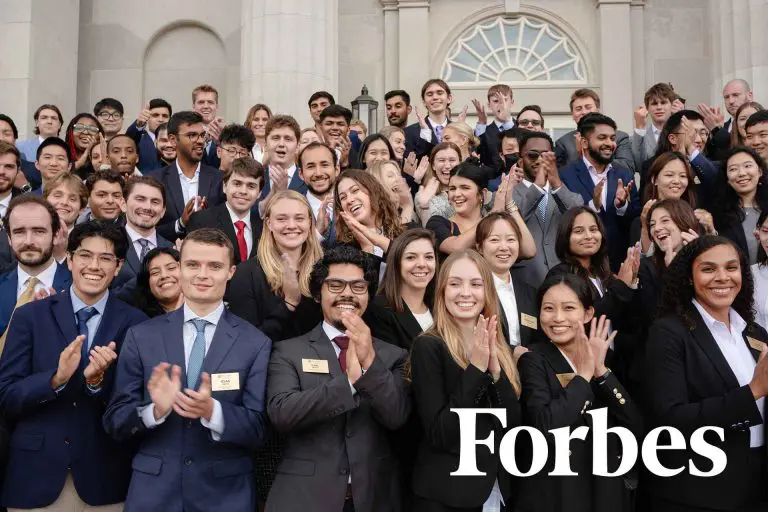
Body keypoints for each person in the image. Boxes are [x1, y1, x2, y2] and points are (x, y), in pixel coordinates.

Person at [104, 228, 271, 511]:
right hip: (154, 494)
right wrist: (153, 411)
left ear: (231, 272)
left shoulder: (256, 343)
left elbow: (258, 430)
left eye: (215, 266)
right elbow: (115, 420)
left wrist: (212, 411)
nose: (203, 274)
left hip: (224, 496)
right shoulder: (141, 336)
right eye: (193, 264)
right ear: (180, 268)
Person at [0, 221, 148, 510]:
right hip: (35, 476)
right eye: (85, 255)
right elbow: (7, 396)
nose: (94, 265)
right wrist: (56, 379)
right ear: (69, 260)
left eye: (105, 258)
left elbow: (134, 406)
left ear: (118, 267)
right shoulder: (30, 317)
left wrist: (96, 383)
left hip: (104, 478)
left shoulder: (136, 324)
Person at [266, 244, 410, 512]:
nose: (347, 294)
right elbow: (282, 414)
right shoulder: (288, 351)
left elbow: (397, 416)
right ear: (318, 294)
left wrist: (369, 365)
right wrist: (347, 383)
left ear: (367, 295)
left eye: (358, 286)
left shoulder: (393, 355)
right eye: (335, 285)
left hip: (375, 498)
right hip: (305, 499)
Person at [645, 236, 768, 511]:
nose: (722, 277)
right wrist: (753, 392)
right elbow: (670, 418)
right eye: (709, 269)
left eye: (731, 267)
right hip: (701, 490)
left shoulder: (755, 333)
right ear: (689, 277)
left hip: (756, 485)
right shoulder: (668, 332)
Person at [516, 273, 642, 512]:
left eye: (569, 308)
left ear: (588, 313)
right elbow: (546, 425)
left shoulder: (603, 357)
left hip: (604, 484)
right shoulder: (533, 359)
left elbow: (633, 423)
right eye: (549, 308)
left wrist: (601, 371)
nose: (558, 318)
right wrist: (583, 377)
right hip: (558, 488)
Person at [410, 249, 521, 511]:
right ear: (441, 291)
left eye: (475, 284)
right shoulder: (428, 346)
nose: (465, 293)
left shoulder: (497, 339)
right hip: (446, 497)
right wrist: (476, 369)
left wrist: (495, 372)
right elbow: (440, 434)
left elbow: (512, 424)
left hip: (495, 492)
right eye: (455, 284)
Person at [547, 206, 640, 382]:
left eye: (593, 229)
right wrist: (621, 286)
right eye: (579, 231)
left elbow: (624, 317)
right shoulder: (560, 275)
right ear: (565, 237)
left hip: (615, 364)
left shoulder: (603, 273)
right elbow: (585, 317)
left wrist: (631, 282)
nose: (589, 236)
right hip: (583, 366)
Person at [560, 112, 641, 270]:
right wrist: (593, 205)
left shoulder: (624, 174)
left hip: (619, 265)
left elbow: (635, 219)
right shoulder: (565, 175)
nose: (609, 143)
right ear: (584, 142)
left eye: (612, 138)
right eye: (602, 138)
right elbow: (564, 220)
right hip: (580, 266)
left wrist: (622, 206)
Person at [511, 130, 584, 286]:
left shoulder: (567, 194)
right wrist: (538, 186)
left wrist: (556, 182)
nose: (539, 160)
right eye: (532, 155)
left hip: (565, 280)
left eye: (545, 156)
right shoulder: (507, 195)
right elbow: (512, 222)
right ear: (520, 161)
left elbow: (579, 218)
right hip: (524, 281)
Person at [0, 196, 72, 345]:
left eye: (39, 231)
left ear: (55, 235)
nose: (28, 241)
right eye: (19, 232)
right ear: (9, 237)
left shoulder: (76, 287)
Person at [148, 111, 225, 241]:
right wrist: (181, 223)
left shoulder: (220, 179)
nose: (200, 141)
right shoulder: (155, 180)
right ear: (173, 140)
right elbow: (147, 229)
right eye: (192, 135)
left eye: (202, 135)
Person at [476, 212, 541, 346]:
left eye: (511, 240)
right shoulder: (473, 292)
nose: (504, 247)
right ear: (480, 247)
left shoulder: (530, 292)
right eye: (494, 240)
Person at [186, 156, 264, 264]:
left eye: (251, 186)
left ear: (259, 193)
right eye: (237, 184)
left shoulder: (264, 227)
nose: (243, 191)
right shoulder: (201, 221)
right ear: (224, 187)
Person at [367, 228, 437, 349]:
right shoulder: (379, 310)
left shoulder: (441, 307)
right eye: (411, 257)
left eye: (429, 257)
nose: (421, 264)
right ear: (396, 263)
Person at [332, 170, 405, 284]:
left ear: (373, 191)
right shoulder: (343, 250)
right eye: (343, 197)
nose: (350, 200)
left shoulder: (407, 232)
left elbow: (409, 259)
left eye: (355, 190)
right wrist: (367, 249)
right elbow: (367, 292)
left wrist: (374, 238)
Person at [631, 151, 714, 251]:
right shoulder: (642, 221)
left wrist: (711, 230)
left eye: (683, 176)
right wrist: (645, 229)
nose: (676, 181)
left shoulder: (696, 218)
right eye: (669, 175)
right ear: (654, 179)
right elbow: (639, 261)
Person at [112, 175, 173, 300]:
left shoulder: (172, 249)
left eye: (155, 202)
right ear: (123, 204)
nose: (147, 207)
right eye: (140, 199)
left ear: (163, 211)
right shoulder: (108, 244)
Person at [639, 110, 718, 206]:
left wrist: (691, 149)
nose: (699, 139)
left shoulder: (706, 165)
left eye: (703, 133)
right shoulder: (652, 165)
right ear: (672, 138)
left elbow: (716, 180)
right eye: (691, 134)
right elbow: (647, 201)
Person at [555, 88, 635, 172]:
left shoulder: (620, 137)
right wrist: (579, 155)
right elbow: (560, 175)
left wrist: (593, 158)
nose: (584, 112)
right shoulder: (563, 143)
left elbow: (627, 167)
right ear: (572, 115)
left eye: (588, 107)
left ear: (598, 110)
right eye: (578, 109)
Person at [712, 146, 768, 265]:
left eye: (747, 166)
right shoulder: (718, 214)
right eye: (733, 169)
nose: (742, 173)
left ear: (760, 171)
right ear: (727, 178)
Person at [631, 82, 678, 171]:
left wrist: (681, 117)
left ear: (672, 106)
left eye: (663, 102)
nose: (659, 107)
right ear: (647, 108)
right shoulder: (638, 137)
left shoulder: (680, 132)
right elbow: (639, 165)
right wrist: (639, 126)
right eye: (654, 103)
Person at [414, 141, 462, 224]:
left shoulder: (469, 190)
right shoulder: (423, 195)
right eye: (441, 160)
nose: (447, 166)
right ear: (433, 165)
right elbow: (430, 228)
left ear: (460, 163)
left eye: (452, 160)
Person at [259, 115, 306, 200]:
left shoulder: (307, 179)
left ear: (297, 147)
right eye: (275, 138)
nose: (281, 144)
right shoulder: (255, 177)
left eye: (288, 139)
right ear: (265, 145)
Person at [405, 78, 453, 159]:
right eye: (430, 94)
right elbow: (411, 165)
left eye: (440, 93)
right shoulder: (409, 133)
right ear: (424, 102)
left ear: (449, 98)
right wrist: (425, 134)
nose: (435, 97)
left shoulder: (458, 129)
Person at [297, 141, 337, 237]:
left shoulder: (349, 205)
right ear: (301, 174)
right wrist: (318, 233)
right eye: (310, 166)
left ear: (337, 170)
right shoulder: (292, 208)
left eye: (324, 165)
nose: (318, 173)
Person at [708, 79, 754, 160]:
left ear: (750, 96)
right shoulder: (721, 128)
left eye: (736, 95)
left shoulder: (764, 123)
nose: (731, 101)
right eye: (726, 97)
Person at [132, 246, 183, 318]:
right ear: (147, 283)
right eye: (155, 272)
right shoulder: (138, 321)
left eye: (171, 268)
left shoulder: (202, 311)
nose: (164, 275)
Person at [473, 84, 516, 169]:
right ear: (489, 105)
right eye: (496, 101)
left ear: (512, 103)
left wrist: (506, 120)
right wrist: (481, 123)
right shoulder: (483, 132)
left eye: (505, 100)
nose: (501, 104)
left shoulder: (522, 126)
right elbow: (480, 155)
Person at [125, 98, 172, 173]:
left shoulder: (176, 140)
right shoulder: (139, 139)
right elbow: (127, 141)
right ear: (147, 118)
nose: (160, 119)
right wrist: (139, 124)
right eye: (155, 115)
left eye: (165, 116)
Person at [368, 160, 416, 225]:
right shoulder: (373, 216)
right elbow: (400, 234)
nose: (399, 179)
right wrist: (407, 206)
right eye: (390, 176)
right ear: (376, 182)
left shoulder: (401, 211)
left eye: (399, 175)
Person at [191, 84, 224, 168]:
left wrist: (222, 142)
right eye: (201, 102)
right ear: (193, 106)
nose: (206, 106)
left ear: (217, 106)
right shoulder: (186, 132)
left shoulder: (225, 134)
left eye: (210, 102)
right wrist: (203, 141)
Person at [319, 105, 358, 169]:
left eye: (340, 124)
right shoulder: (312, 152)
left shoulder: (358, 156)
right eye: (329, 123)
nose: (335, 128)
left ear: (348, 130)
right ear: (321, 128)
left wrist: (345, 164)